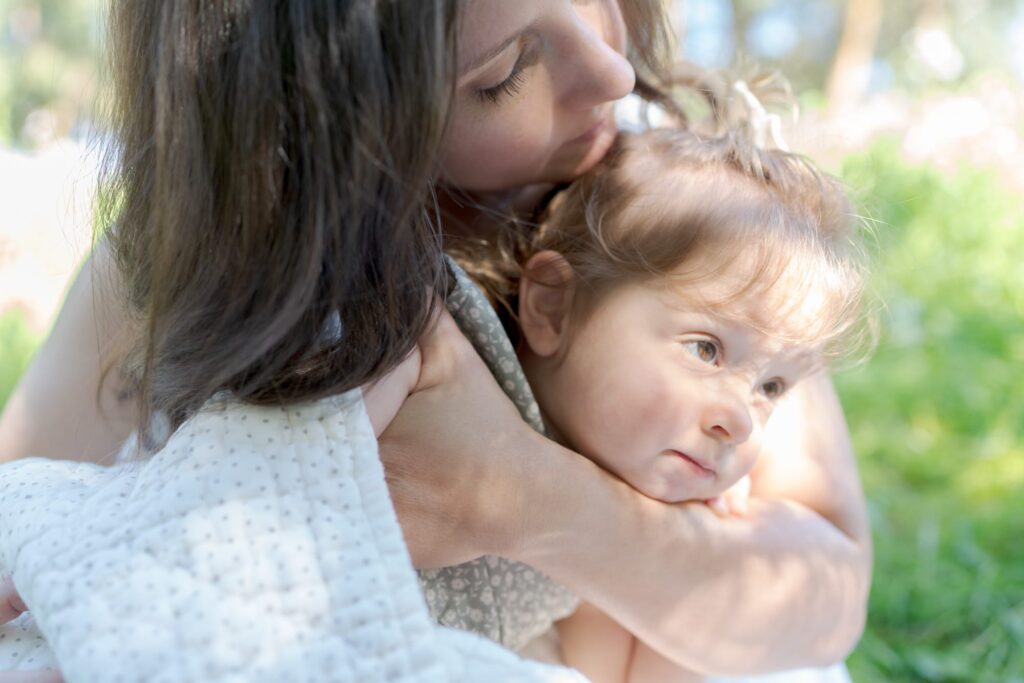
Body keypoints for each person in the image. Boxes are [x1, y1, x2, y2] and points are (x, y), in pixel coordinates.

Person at [0, 0, 871, 679]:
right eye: (505, 71)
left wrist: (519, 493)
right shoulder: (196, 255)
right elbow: (32, 513)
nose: (610, 68)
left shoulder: (671, 211)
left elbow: (819, 589)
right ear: (332, 115)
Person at [444, 118, 870, 680]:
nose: (740, 420)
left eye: (771, 387)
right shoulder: (458, 379)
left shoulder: (675, 512)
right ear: (552, 307)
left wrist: (701, 545)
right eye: (706, 350)